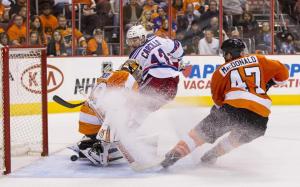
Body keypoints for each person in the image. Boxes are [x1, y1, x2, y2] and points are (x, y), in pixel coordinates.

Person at [160, 38, 289, 168]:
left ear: (228, 54)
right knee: (235, 139)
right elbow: (283, 73)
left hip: (234, 109)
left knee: (198, 135)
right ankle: (212, 155)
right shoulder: (258, 59)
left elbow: (218, 101)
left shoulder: (220, 72)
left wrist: (216, 117)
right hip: (261, 118)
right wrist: (270, 83)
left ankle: (173, 156)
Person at [73, 59, 142, 165]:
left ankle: (88, 143)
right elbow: (124, 104)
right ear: (135, 71)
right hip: (96, 124)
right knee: (122, 128)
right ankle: (98, 149)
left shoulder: (108, 74)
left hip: (85, 119)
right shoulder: (128, 77)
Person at [126, 24, 184, 114]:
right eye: (130, 41)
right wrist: (178, 60)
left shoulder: (135, 55)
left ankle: (124, 120)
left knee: (138, 102)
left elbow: (130, 76)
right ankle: (133, 124)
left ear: (142, 37)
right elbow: (178, 47)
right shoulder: (157, 39)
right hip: (174, 80)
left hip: (156, 79)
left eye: (134, 40)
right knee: (147, 109)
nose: (132, 44)